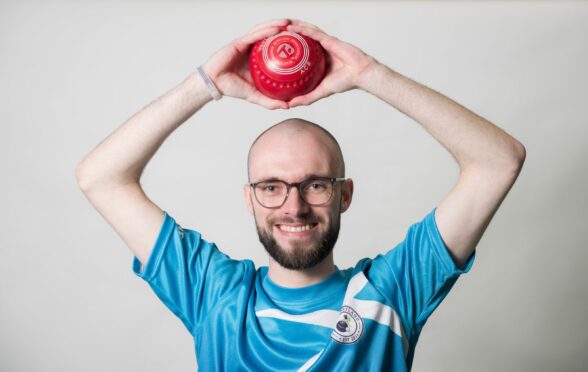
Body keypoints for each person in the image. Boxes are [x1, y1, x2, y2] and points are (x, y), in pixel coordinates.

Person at [76, 19, 525, 371]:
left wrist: (371, 75)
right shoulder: (213, 293)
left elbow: (498, 161)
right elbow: (100, 177)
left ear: (344, 194)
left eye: (315, 184)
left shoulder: (390, 293)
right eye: (271, 186)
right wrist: (204, 84)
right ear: (249, 198)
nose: (294, 206)